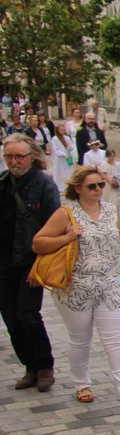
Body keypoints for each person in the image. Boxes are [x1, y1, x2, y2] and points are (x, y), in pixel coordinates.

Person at [32, 166, 120, 409]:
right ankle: (81, 384)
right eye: (92, 186)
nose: (98, 190)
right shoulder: (66, 213)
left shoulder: (110, 210)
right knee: (80, 339)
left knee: (116, 339)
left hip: (109, 285)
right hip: (76, 288)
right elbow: (38, 243)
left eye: (101, 185)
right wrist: (68, 236)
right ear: (78, 189)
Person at [1, 135, 59, 391]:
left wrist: (41, 266)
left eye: (19, 156)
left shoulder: (44, 185)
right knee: (11, 320)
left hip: (31, 262)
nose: (14, 161)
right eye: (9, 156)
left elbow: (55, 227)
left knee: (28, 314)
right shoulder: (2, 184)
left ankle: (45, 366)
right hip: (4, 263)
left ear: (31, 157)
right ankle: (30, 367)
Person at [50, 122, 76, 193]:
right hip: (60, 159)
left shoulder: (67, 138)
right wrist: (63, 154)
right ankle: (60, 187)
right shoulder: (55, 139)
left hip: (68, 157)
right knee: (60, 172)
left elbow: (71, 146)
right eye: (61, 130)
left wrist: (70, 148)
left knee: (68, 171)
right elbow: (56, 150)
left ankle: (68, 186)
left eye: (63, 130)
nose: (63, 131)